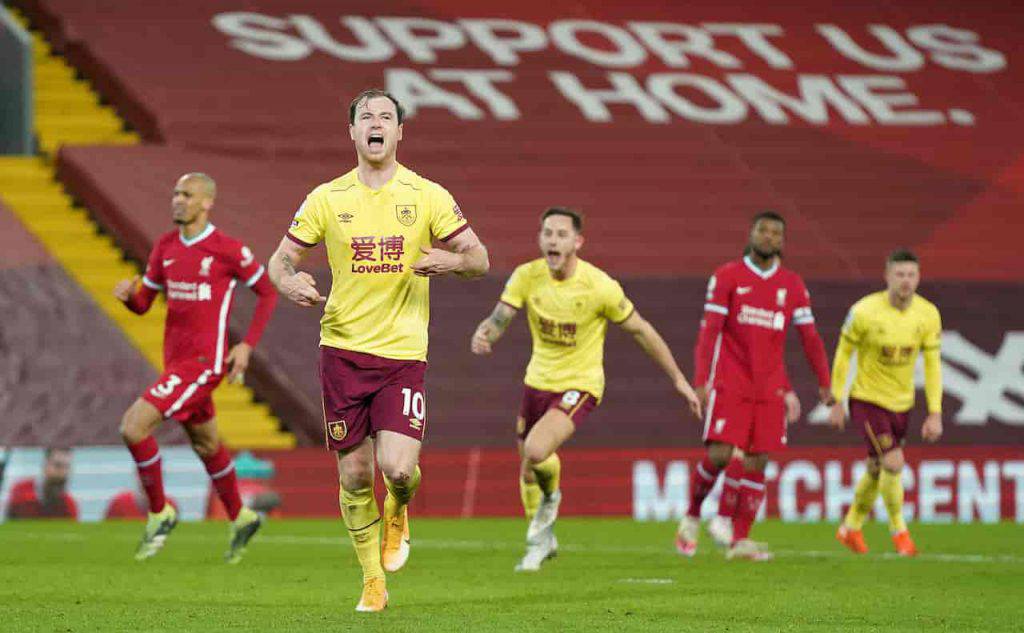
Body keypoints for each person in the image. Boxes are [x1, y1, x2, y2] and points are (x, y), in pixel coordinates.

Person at [267, 89, 488, 612]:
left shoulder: (428, 194)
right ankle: (372, 581)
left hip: (402, 355)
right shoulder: (327, 198)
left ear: (399, 131)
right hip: (341, 351)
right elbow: (280, 261)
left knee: (400, 472)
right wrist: (289, 282)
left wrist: (452, 263)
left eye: (386, 116)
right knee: (354, 474)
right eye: (366, 116)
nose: (376, 123)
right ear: (351, 132)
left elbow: (479, 256)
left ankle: (399, 508)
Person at [471, 207, 701, 571]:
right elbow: (500, 317)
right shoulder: (527, 276)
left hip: (581, 385)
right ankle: (542, 538)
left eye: (562, 234)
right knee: (529, 469)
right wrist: (485, 334)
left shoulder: (599, 287)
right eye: (547, 232)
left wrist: (678, 379)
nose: (552, 240)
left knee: (535, 448)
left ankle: (547, 513)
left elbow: (642, 330)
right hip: (537, 382)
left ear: (577, 242)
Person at [113, 172, 278, 563]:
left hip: (204, 364)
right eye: (175, 193)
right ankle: (241, 517)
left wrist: (247, 346)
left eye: (187, 194)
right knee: (206, 444)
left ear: (207, 203)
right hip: (176, 361)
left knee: (133, 426)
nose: (178, 200)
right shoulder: (165, 248)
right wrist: (127, 298)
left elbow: (267, 292)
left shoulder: (227, 249)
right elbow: (143, 305)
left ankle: (159, 512)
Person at [678, 211, 832, 560]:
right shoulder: (728, 276)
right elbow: (710, 332)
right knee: (722, 454)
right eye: (762, 230)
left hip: (770, 387)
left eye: (776, 232)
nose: (768, 237)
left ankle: (740, 540)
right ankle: (693, 516)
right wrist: (701, 380)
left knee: (757, 461)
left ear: (783, 240)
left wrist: (825, 382)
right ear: (750, 234)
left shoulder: (792, 285)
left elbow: (810, 338)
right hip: (731, 380)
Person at [831, 249, 942, 557]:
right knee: (894, 462)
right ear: (887, 276)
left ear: (918, 277)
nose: (905, 281)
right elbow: (843, 354)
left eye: (911, 275)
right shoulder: (864, 311)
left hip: (902, 404)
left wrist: (935, 412)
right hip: (867, 400)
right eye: (899, 274)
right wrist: (837, 399)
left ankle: (850, 527)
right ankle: (900, 533)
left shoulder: (928, 314)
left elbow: (933, 366)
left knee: (877, 467)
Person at [6, 447, 78, 519]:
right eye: (57, 465)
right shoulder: (20, 492)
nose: (63, 472)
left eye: (67, 467)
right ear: (45, 465)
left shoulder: (68, 506)